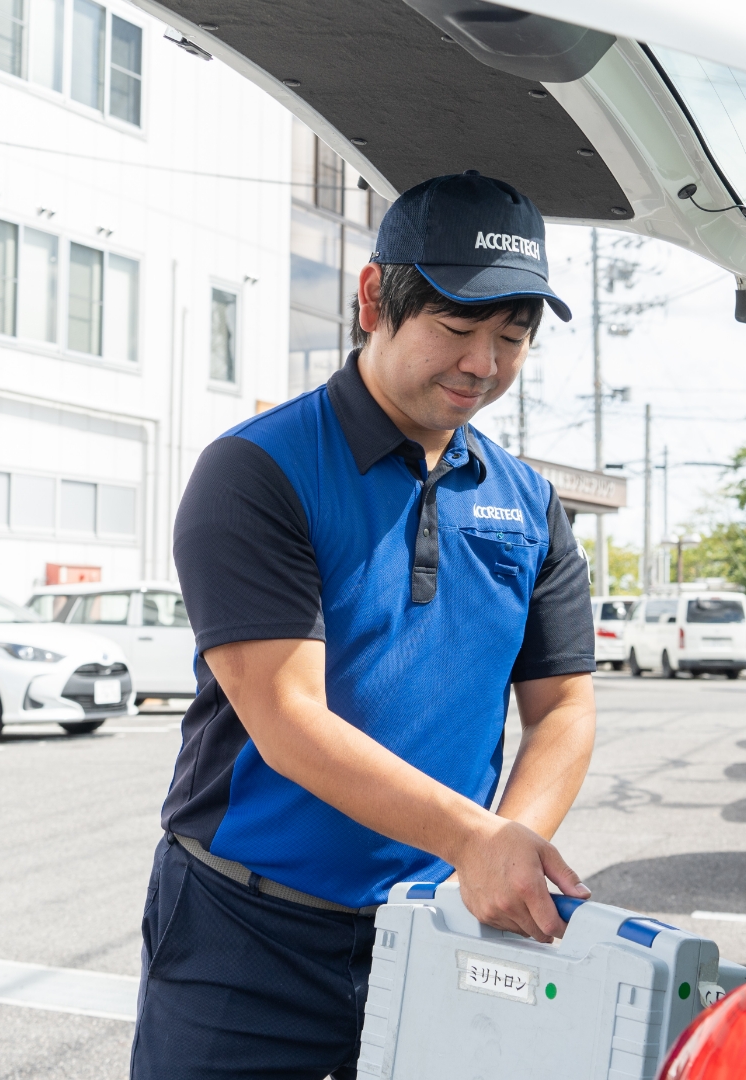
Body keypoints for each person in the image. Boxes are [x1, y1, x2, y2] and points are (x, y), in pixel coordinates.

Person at [131, 170, 597, 1079]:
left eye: (512, 339)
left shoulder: (530, 502)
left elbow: (564, 709)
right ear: (375, 295)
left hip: (433, 937)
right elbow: (287, 720)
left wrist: (509, 848)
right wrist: (474, 839)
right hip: (246, 933)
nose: (482, 366)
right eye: (458, 329)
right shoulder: (258, 471)